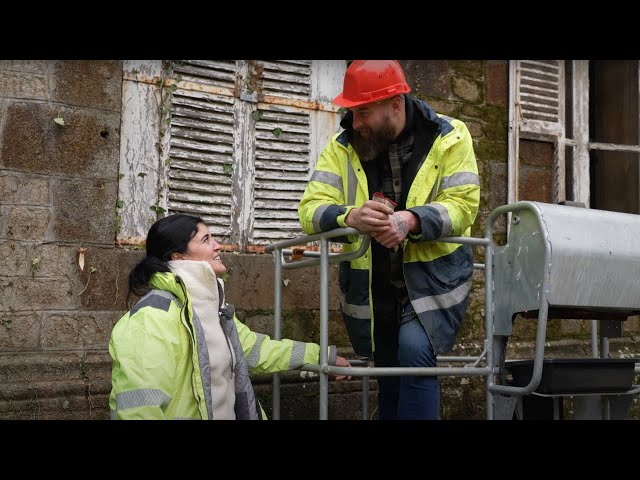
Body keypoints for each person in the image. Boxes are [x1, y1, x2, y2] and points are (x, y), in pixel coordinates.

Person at [298, 60, 479, 420]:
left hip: (434, 279)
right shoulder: (343, 145)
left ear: (395, 104)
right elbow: (310, 209)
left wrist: (412, 219)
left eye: (363, 112)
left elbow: (463, 206)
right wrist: (350, 216)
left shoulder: (451, 135)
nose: (356, 122)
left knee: (414, 352)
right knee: (387, 369)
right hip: (372, 283)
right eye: (353, 112)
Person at [109, 214, 351, 420]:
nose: (218, 246)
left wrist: (321, 357)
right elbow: (138, 408)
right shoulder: (152, 318)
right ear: (177, 257)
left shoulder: (210, 308)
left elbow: (257, 350)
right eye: (206, 240)